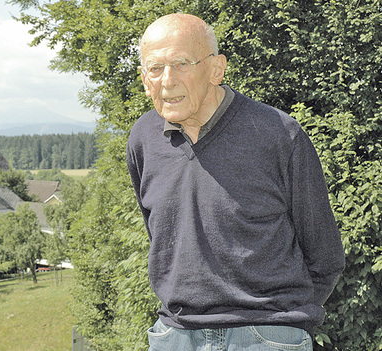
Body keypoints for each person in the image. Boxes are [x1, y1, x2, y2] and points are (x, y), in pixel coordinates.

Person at [126, 13, 345, 350]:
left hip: (267, 336)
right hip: (174, 337)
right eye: (154, 69)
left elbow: (325, 256)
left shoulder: (278, 135)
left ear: (216, 69)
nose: (166, 81)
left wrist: (280, 325)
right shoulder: (142, 139)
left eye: (181, 64)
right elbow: (161, 236)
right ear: (144, 78)